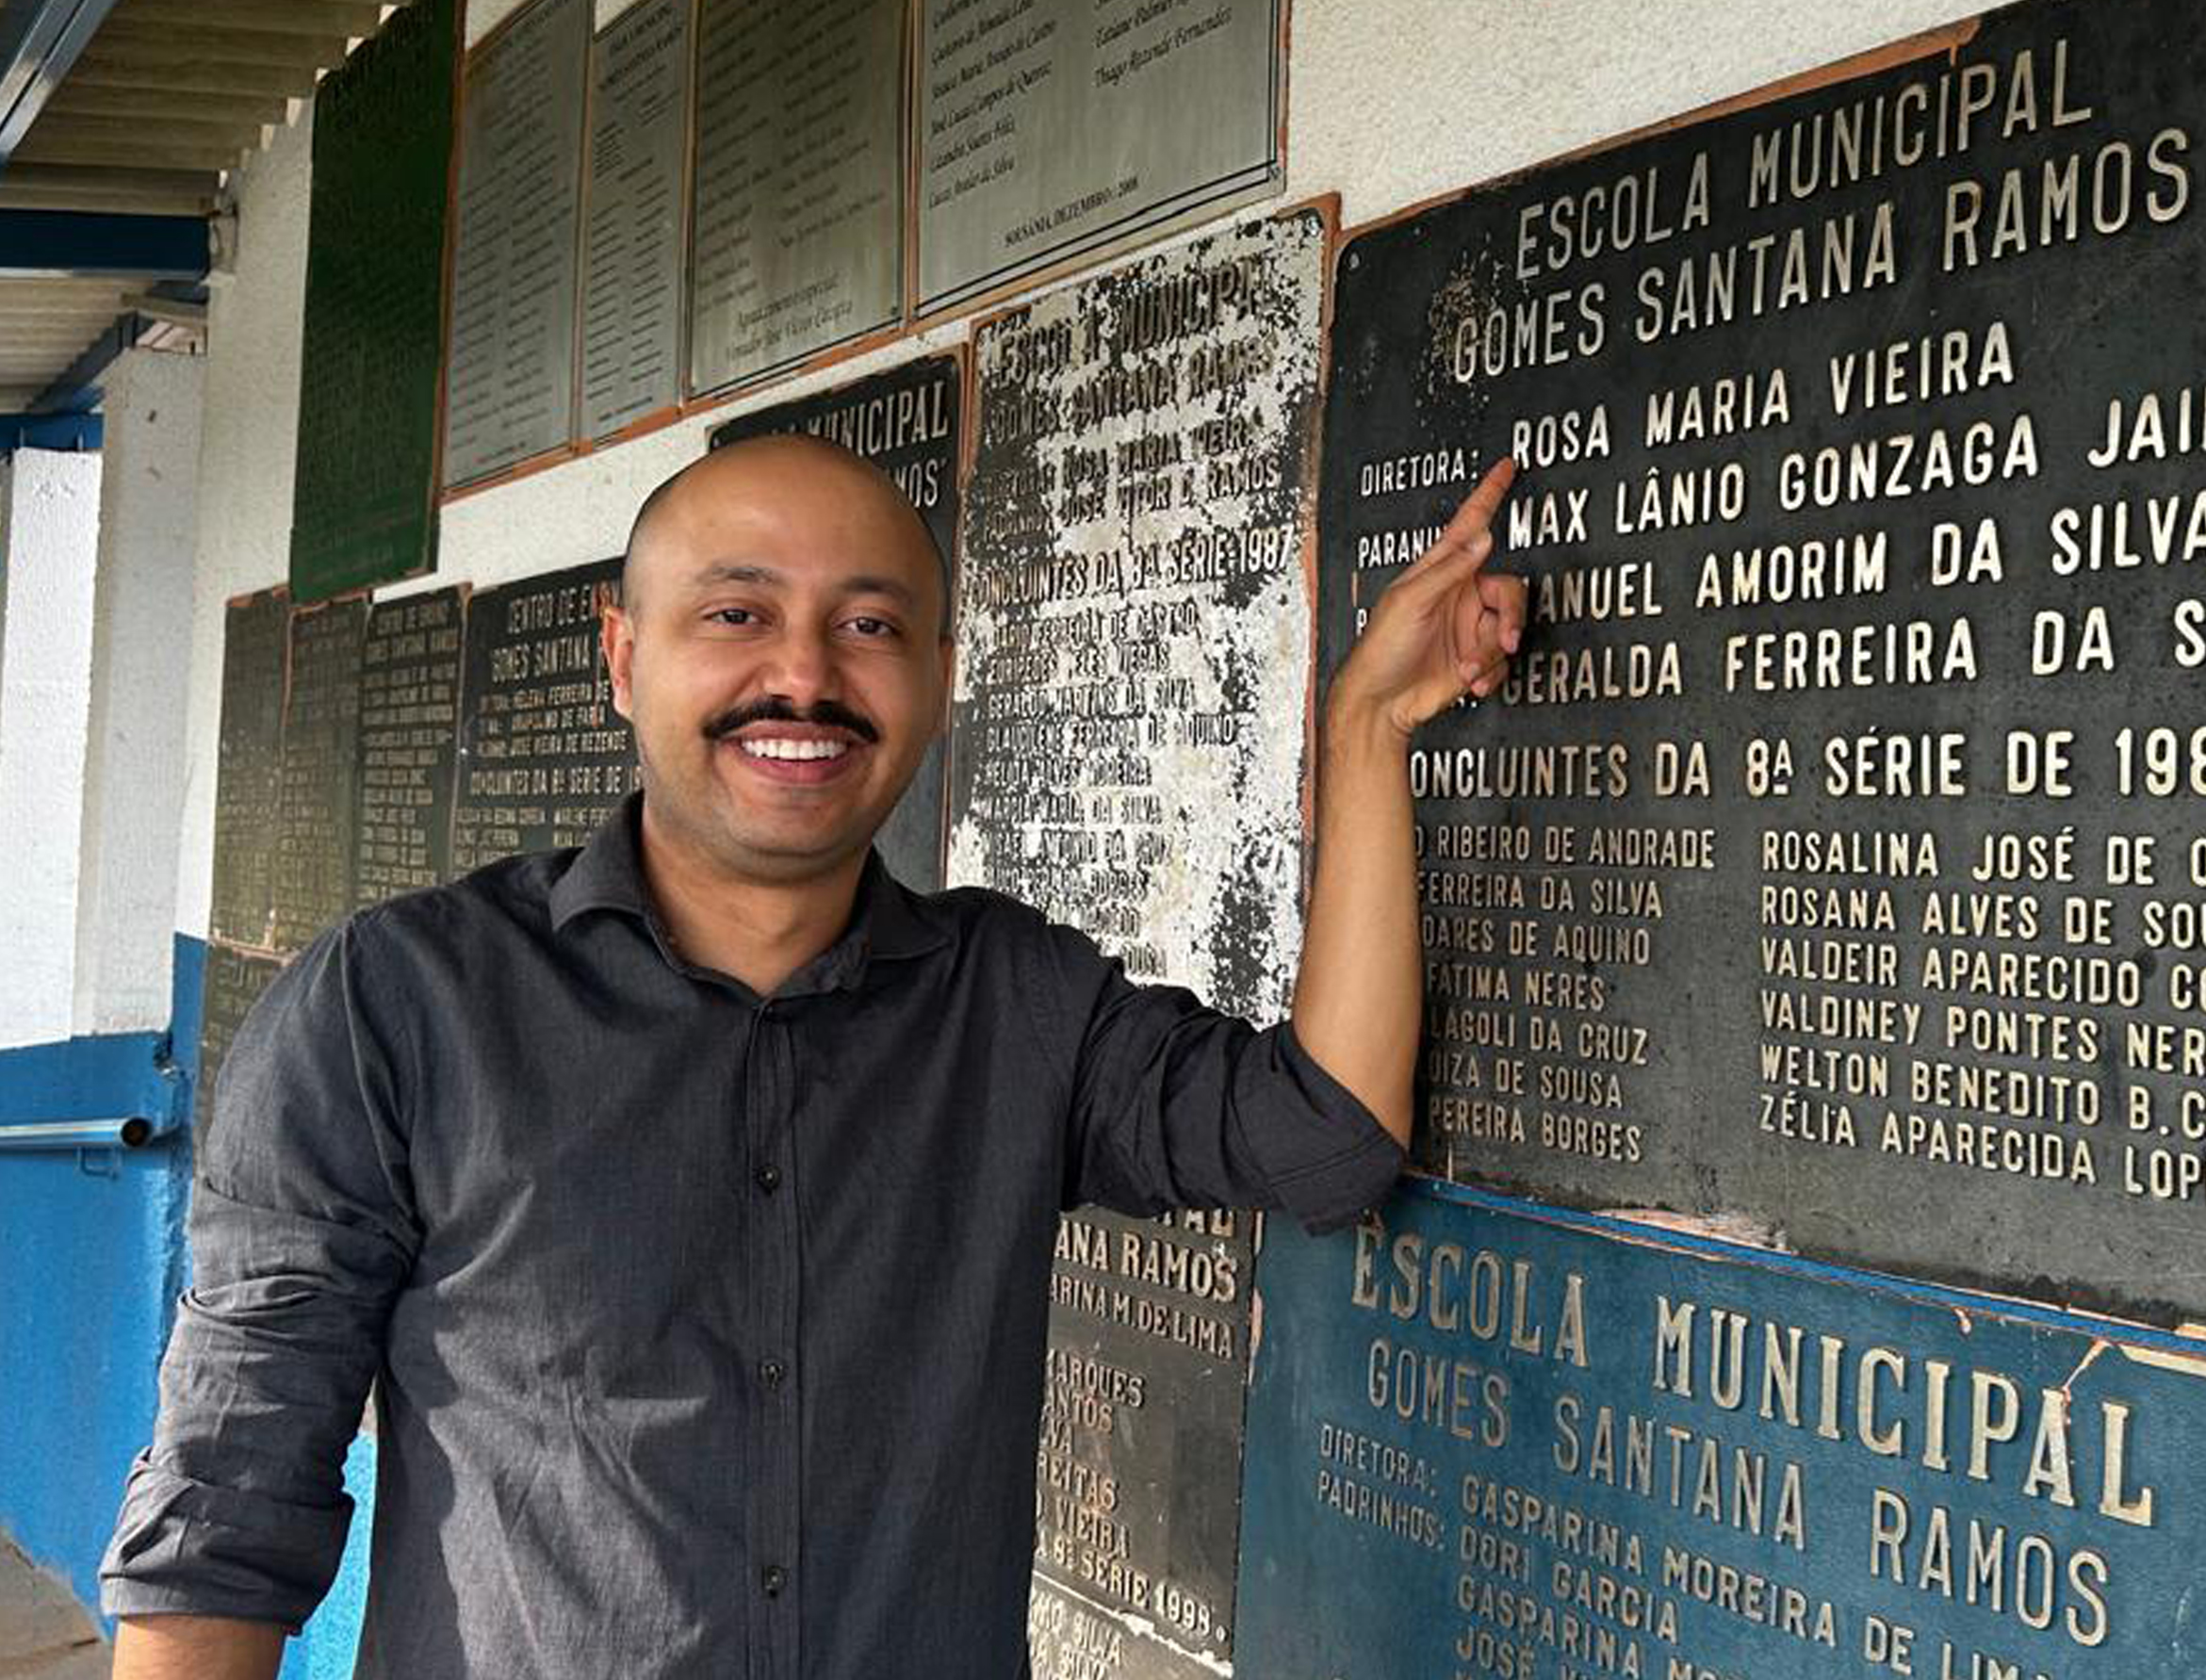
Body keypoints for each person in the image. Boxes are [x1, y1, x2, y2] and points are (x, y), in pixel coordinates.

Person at [100, 434, 1526, 1677]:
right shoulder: (396, 1008)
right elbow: (230, 1493)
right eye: (738, 611)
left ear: (938, 680)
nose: (804, 675)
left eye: (870, 627)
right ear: (623, 653)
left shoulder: (1014, 1003)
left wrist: (1368, 724)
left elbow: (1327, 1135)